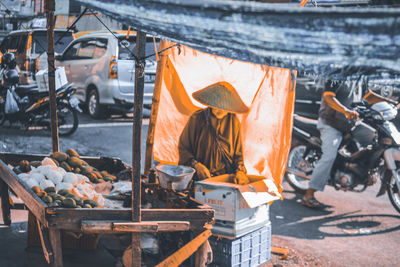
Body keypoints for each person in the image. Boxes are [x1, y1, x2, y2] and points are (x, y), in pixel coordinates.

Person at [302, 79, 399, 208]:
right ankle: (309, 194)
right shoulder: (337, 74)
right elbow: (328, 97)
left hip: (351, 123)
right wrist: (345, 111)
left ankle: (363, 171)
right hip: (331, 123)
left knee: (373, 138)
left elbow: (368, 96)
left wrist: (391, 102)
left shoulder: (360, 75)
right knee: (329, 157)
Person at [178, 81, 249, 185]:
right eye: (216, 105)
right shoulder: (197, 118)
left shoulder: (233, 121)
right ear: (210, 103)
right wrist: (196, 165)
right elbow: (184, 149)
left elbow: (238, 155)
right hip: (199, 180)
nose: (219, 110)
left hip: (225, 181)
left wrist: (240, 171)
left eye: (223, 107)